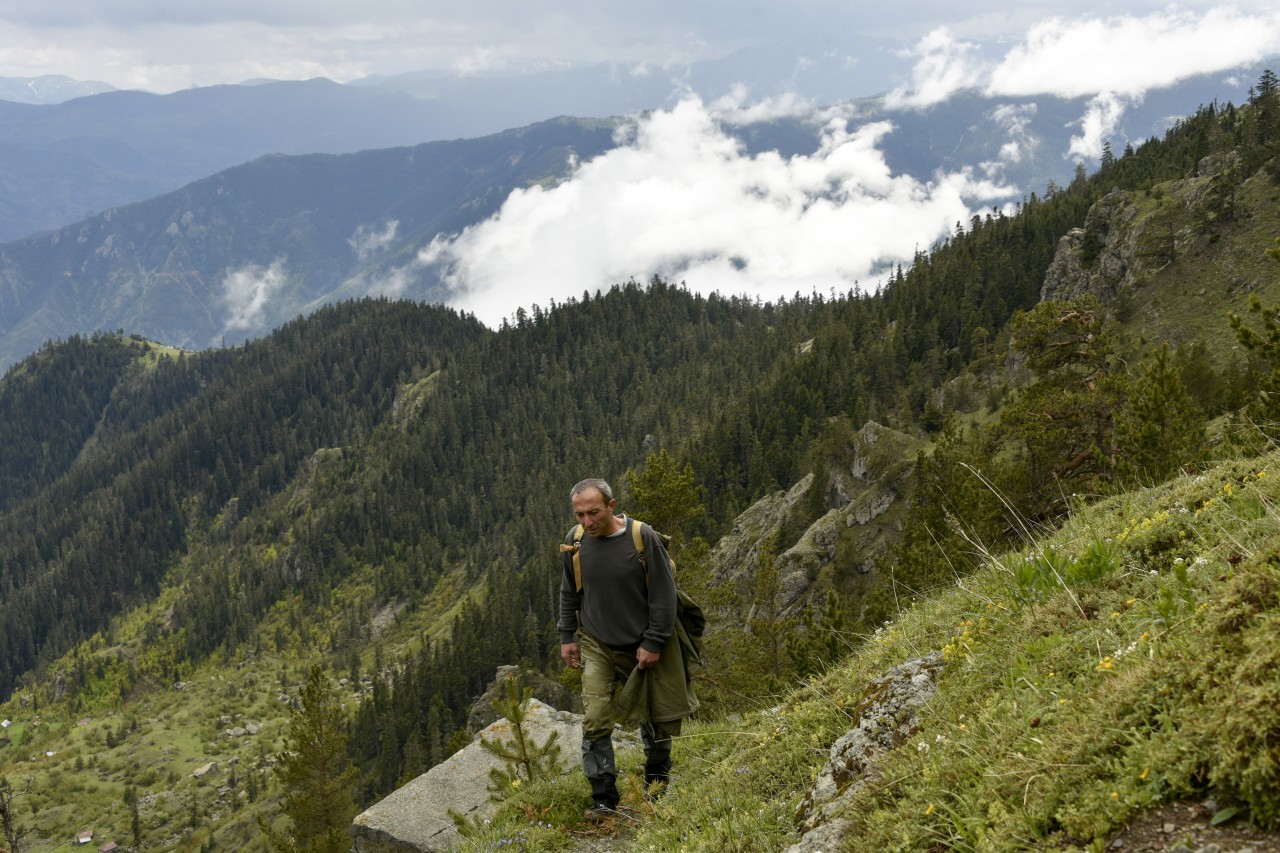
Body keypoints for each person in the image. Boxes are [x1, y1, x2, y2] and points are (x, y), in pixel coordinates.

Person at [558, 477, 693, 820]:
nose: (587, 522)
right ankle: (603, 798)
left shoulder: (641, 538)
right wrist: (567, 636)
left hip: (643, 644)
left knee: (658, 719)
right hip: (597, 643)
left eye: (593, 512)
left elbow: (664, 595)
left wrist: (653, 642)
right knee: (595, 719)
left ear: (611, 506)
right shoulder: (575, 542)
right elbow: (569, 592)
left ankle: (657, 787)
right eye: (580, 514)